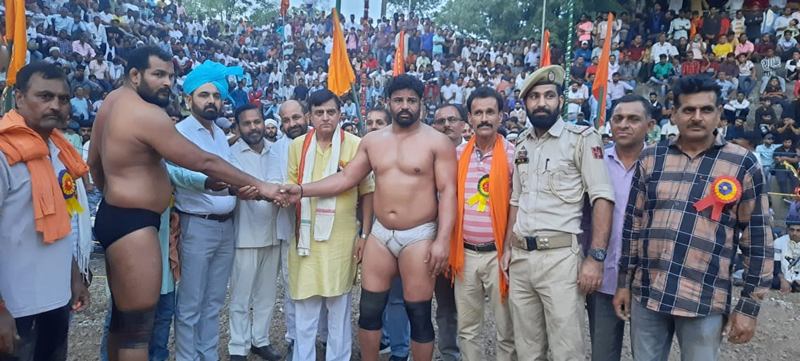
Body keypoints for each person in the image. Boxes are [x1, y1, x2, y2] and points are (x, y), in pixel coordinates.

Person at [88, 46, 278, 361]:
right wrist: (260, 185)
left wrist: (113, 195)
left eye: (171, 76)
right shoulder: (148, 115)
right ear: (135, 76)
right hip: (135, 223)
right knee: (138, 330)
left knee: (124, 321)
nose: (167, 83)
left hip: (119, 215)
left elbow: (95, 163)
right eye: (158, 75)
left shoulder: (111, 102)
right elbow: (202, 161)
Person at [280, 75, 457, 361]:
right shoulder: (373, 141)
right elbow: (346, 178)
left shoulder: (437, 142)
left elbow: (448, 192)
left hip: (419, 234)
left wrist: (442, 240)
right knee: (370, 310)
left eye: (411, 100)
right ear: (388, 103)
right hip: (381, 233)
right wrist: (302, 190)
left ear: (421, 105)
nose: (405, 106)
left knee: (419, 311)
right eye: (398, 100)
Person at [613, 75, 773, 361]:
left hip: (704, 299)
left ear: (719, 114)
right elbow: (633, 226)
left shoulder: (743, 163)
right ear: (674, 115)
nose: (697, 117)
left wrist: (748, 307)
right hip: (648, 294)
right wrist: (624, 283)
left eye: (706, 110)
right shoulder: (652, 158)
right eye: (688, 110)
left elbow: (757, 240)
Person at [499, 65, 615, 360]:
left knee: (567, 350)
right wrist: (507, 247)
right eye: (534, 97)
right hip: (522, 258)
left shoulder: (581, 139)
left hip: (561, 259)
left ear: (561, 101)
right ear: (525, 103)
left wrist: (596, 258)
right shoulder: (521, 143)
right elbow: (517, 198)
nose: (541, 103)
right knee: (527, 350)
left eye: (549, 95)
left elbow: (601, 197)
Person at [0, 63, 91, 361]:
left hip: (55, 300)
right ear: (19, 97)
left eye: (62, 99)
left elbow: (62, 220)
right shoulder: (4, 153)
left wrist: (74, 276)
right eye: (45, 96)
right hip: (13, 306)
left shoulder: (59, 151)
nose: (56, 105)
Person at [281, 89, 375, 361]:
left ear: (339, 114)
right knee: (306, 310)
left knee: (339, 308)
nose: (325, 118)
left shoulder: (356, 145)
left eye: (330, 112)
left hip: (342, 239)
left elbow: (367, 191)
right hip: (305, 241)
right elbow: (290, 187)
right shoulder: (297, 146)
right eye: (319, 113)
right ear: (309, 115)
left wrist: (365, 234)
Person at [583, 95, 655, 360]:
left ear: (650, 125)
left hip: (646, 280)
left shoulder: (660, 164)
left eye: (633, 119)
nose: (624, 125)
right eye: (618, 119)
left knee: (648, 353)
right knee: (602, 352)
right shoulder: (594, 162)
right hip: (602, 276)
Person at [447, 87, 517, 361]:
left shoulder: (514, 156)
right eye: (478, 113)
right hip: (464, 255)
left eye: (490, 112)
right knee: (467, 329)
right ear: (469, 118)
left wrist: (510, 248)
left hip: (500, 256)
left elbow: (517, 205)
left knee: (506, 330)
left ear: (501, 116)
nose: (484, 118)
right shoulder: (456, 155)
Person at [227, 104, 283, 361]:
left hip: (274, 232)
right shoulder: (230, 154)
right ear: (238, 127)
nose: (253, 127)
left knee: (267, 294)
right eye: (247, 123)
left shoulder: (278, 151)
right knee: (241, 295)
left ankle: (260, 340)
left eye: (257, 122)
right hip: (244, 235)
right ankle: (238, 347)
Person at [365, 107, 411, 361]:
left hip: (398, 237)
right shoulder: (360, 155)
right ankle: (380, 340)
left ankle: (400, 349)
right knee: (372, 297)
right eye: (369, 122)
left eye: (379, 122)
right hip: (369, 237)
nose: (372, 126)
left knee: (396, 298)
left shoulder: (400, 157)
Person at [774, 208, 800, 293]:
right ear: (788, 230)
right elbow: (776, 265)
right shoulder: (779, 242)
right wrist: (783, 280)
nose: (794, 233)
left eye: (798, 230)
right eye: (792, 230)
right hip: (783, 275)